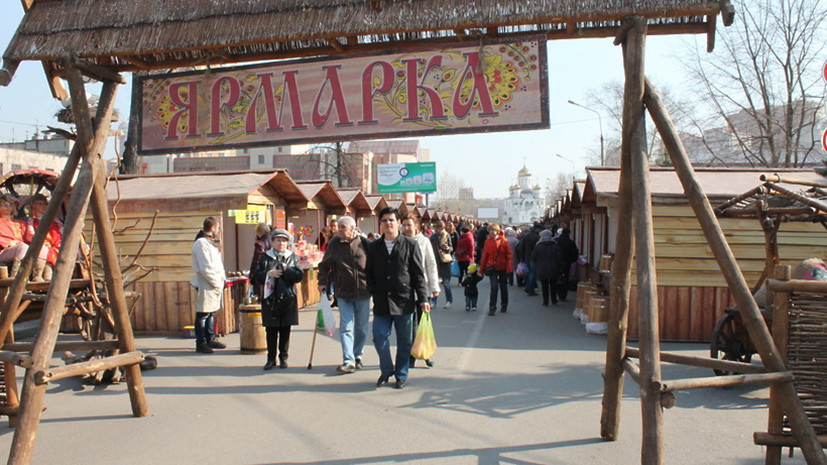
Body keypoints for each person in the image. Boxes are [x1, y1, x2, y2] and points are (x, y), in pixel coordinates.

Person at [366, 207, 429, 389]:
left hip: (404, 300)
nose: (388, 223)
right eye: (384, 220)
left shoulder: (410, 244)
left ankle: (401, 374)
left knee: (405, 341)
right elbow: (369, 272)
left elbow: (418, 274)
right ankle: (387, 370)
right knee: (379, 336)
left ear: (398, 223)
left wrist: (423, 298)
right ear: (381, 223)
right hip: (381, 301)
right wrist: (373, 290)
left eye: (391, 220)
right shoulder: (374, 247)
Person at [318, 216, 371, 374]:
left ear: (353, 228)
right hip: (343, 292)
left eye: (343, 227)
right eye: (339, 227)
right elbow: (324, 265)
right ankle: (348, 360)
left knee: (361, 327)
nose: (339, 230)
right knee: (346, 327)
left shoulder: (364, 243)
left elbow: (375, 264)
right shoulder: (334, 244)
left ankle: (357, 356)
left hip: (363, 291)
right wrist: (322, 282)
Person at [253, 228, 304, 370]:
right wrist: (268, 273)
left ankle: (283, 357)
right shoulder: (265, 257)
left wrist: (287, 269)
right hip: (270, 298)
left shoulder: (292, 257)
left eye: (284, 241)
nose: (281, 243)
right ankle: (271, 359)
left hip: (288, 298)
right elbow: (256, 276)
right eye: (278, 240)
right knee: (271, 330)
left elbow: (299, 276)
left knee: (285, 329)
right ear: (272, 242)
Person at [401, 213, 439, 368]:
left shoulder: (424, 241)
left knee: (423, 323)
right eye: (404, 225)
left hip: (422, 288)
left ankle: (426, 353)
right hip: (405, 289)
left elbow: (431, 264)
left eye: (409, 225)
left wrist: (434, 286)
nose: (406, 228)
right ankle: (412, 354)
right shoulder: (400, 241)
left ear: (416, 225)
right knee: (410, 325)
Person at [190, 217, 227, 354]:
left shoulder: (210, 242)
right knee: (203, 313)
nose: (218, 230)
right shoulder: (201, 243)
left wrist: (222, 280)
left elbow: (217, 264)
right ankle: (201, 342)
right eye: (218, 228)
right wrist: (216, 282)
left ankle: (210, 338)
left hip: (215, 282)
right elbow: (205, 267)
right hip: (206, 281)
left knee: (211, 312)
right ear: (212, 228)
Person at [478, 223, 513, 316]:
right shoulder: (488, 241)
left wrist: (509, 268)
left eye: (493, 230)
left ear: (497, 231)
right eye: (490, 230)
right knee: (494, 287)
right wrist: (481, 270)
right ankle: (492, 307)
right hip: (492, 267)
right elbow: (485, 256)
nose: (491, 232)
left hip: (503, 267)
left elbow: (509, 255)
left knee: (503, 287)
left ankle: (504, 304)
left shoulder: (504, 241)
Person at [0, 195, 30, 278]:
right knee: (23, 248)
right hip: (3, 251)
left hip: (21, 249)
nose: (8, 208)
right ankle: (16, 276)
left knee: (42, 248)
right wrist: (9, 243)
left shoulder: (20, 223)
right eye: (5, 205)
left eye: (10, 205)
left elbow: (28, 237)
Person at [531, 229, 561, 306]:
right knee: (553, 284)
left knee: (544, 285)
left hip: (542, 267)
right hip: (554, 267)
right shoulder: (555, 245)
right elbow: (559, 257)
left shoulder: (538, 246)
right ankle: (554, 299)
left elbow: (534, 257)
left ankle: (545, 301)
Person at [429, 220, 453, 309]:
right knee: (435, 283)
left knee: (446, 283)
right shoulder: (433, 237)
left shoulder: (446, 235)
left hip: (445, 261)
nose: (439, 230)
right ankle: (433, 301)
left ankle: (449, 300)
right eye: (438, 228)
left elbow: (451, 248)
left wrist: (447, 248)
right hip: (435, 261)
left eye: (441, 228)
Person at [555, 227, 580, 302]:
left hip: (556, 263)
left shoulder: (556, 241)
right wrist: (570, 260)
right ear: (568, 233)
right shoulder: (570, 242)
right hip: (566, 263)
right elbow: (575, 254)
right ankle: (563, 295)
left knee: (556, 277)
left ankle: (557, 293)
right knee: (565, 278)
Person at [249, 222, 271, 299]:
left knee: (260, 296)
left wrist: (252, 274)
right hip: (271, 272)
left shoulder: (260, 244)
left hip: (261, 273)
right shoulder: (273, 241)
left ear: (259, 232)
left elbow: (256, 260)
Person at [520, 222, 542, 296]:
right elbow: (537, 249)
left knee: (528, 272)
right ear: (537, 229)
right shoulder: (537, 237)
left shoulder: (527, 235)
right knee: (532, 273)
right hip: (533, 257)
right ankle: (530, 289)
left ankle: (528, 287)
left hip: (527, 256)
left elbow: (522, 246)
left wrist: (522, 257)